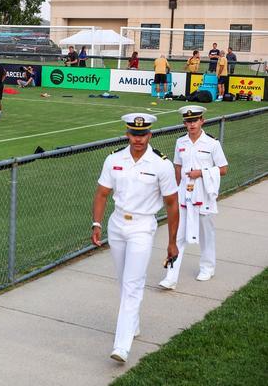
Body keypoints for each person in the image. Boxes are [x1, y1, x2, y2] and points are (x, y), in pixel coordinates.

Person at [91, 113, 179, 363]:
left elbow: (173, 204)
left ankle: (122, 345)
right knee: (123, 281)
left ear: (150, 135)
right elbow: (101, 193)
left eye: (143, 135)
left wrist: (172, 242)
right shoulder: (113, 159)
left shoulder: (161, 164)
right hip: (117, 224)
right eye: (134, 134)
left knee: (132, 284)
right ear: (127, 134)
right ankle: (133, 324)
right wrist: (96, 223)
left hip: (142, 226)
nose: (138, 139)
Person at [159, 106, 228, 290]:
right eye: (188, 121)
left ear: (202, 121)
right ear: (184, 123)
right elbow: (177, 167)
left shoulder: (212, 143)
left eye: (194, 120)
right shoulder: (180, 142)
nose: (191, 124)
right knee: (177, 234)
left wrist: (202, 173)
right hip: (184, 193)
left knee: (206, 233)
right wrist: (174, 190)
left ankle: (207, 267)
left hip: (204, 193)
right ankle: (171, 276)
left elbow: (223, 168)